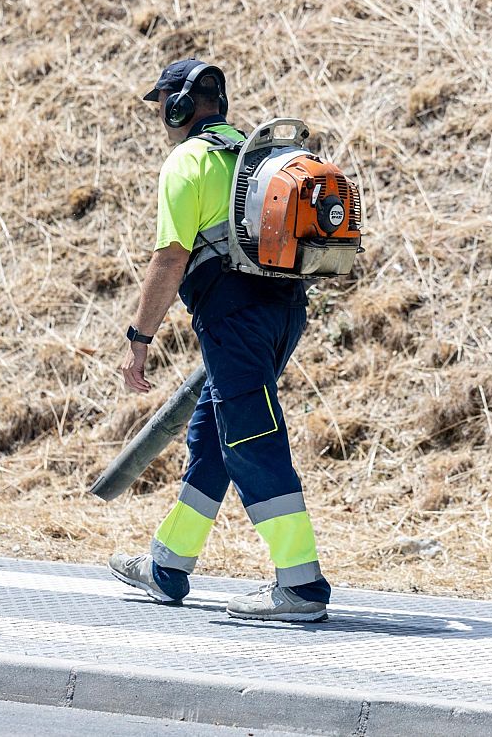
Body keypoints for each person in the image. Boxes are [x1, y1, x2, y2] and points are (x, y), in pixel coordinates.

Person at [110, 58, 332, 622]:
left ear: (179, 105)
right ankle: (168, 565)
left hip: (234, 321)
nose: (160, 115)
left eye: (160, 104)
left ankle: (300, 586)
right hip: (283, 313)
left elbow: (170, 258)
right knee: (213, 433)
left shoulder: (187, 162)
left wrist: (141, 336)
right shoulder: (256, 155)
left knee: (251, 440)